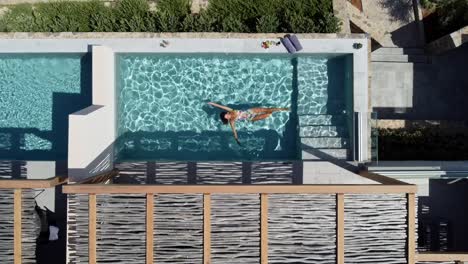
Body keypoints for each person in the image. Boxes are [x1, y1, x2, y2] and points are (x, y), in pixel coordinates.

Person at [207, 102, 289, 145]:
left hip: (250, 111)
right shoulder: (232, 121)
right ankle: (277, 111)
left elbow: (221, 106)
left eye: (226, 115)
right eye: (226, 118)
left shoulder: (231, 110)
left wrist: (213, 104)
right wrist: (236, 139)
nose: (228, 116)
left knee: (268, 109)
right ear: (227, 119)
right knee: (267, 114)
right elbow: (234, 131)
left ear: (227, 113)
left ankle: (283, 109)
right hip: (251, 118)